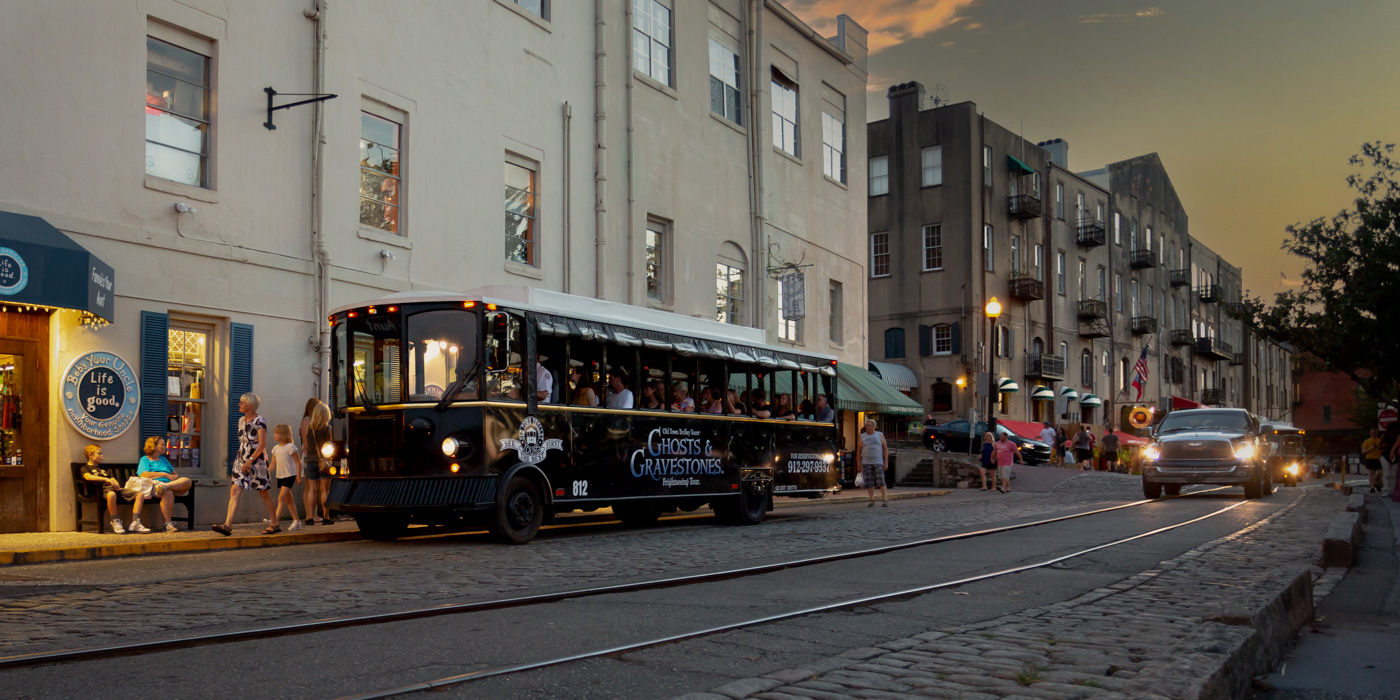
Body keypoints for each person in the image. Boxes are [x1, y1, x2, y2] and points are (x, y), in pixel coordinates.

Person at [213, 393, 277, 536]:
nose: (239, 405)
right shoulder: (241, 420)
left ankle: (275, 523)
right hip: (241, 459)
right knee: (235, 491)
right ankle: (227, 525)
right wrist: (243, 460)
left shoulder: (260, 421)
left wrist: (250, 461)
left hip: (257, 461)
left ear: (250, 406)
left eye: (242, 403)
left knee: (264, 492)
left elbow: (262, 445)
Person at [80, 444, 144, 534]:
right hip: (101, 491)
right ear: (90, 455)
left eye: (102, 453)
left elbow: (113, 479)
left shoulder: (104, 468)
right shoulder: (85, 468)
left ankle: (135, 522)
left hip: (114, 489)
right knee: (111, 494)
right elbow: (88, 477)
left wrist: (116, 484)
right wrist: (106, 479)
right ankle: (116, 521)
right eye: (99, 453)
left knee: (140, 495)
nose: (102, 456)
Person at [138, 436, 194, 532]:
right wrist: (164, 474)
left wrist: (173, 478)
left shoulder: (164, 460)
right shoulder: (145, 460)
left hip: (169, 485)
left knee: (187, 481)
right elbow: (144, 474)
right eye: (162, 444)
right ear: (154, 446)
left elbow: (175, 474)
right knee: (168, 493)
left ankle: (166, 486)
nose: (165, 446)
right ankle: (168, 524)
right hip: (155, 486)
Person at [301, 401, 334, 526]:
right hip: (324, 463)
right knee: (325, 489)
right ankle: (326, 517)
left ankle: (309, 516)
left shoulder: (309, 428)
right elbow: (331, 446)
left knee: (312, 490)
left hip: (311, 460)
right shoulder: (329, 429)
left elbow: (307, 445)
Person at [268, 424, 302, 532]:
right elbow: (272, 465)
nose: (274, 435)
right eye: (274, 432)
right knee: (289, 500)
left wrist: (298, 476)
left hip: (289, 475)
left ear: (283, 434)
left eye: (276, 433)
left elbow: (298, 462)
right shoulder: (275, 449)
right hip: (281, 476)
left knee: (281, 498)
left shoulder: (290, 447)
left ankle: (275, 521)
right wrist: (266, 473)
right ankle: (297, 521)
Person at [855, 418, 889, 507]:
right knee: (869, 482)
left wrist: (886, 462)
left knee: (881, 481)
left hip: (878, 461)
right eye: (866, 425)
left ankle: (884, 499)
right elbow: (858, 451)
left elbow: (885, 449)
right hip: (866, 462)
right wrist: (859, 464)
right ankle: (871, 499)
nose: (866, 427)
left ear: (873, 427)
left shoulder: (880, 435)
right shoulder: (862, 436)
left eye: (868, 425)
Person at [1362, 428, 1383, 493]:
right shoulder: (1366, 441)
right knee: (1371, 473)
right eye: (1372, 433)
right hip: (1369, 458)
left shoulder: (1380, 441)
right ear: (1370, 433)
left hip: (1378, 458)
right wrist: (1371, 448)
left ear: (1377, 433)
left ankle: (1376, 482)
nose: (1374, 434)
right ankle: (1372, 487)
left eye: (1375, 433)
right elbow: (1363, 451)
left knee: (1379, 473)